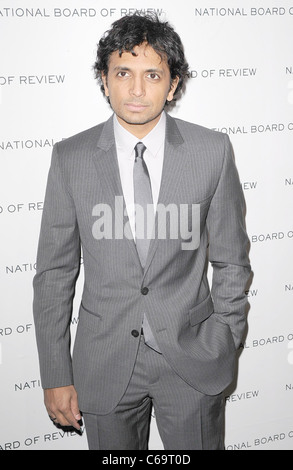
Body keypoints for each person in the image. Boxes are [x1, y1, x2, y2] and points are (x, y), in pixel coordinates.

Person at [33, 12, 251, 450]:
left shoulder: (212, 151)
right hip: (104, 362)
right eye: (123, 73)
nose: (136, 89)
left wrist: (224, 337)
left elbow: (231, 259)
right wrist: (56, 374)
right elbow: (54, 275)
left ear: (172, 85)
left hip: (192, 360)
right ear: (104, 79)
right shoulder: (70, 158)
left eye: (152, 74)